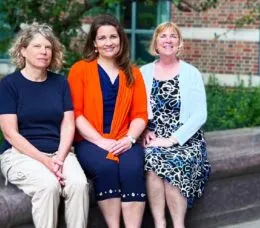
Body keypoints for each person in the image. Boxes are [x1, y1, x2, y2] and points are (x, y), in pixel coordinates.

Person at [0, 23, 89, 228]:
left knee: (79, 185)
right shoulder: (9, 85)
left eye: (48, 47)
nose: (44, 51)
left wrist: (59, 157)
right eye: (37, 46)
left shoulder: (60, 83)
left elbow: (68, 125)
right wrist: (46, 162)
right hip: (20, 154)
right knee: (48, 186)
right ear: (23, 51)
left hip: (59, 152)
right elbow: (11, 134)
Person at [67, 14, 148, 228]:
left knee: (132, 168)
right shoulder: (80, 70)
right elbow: (76, 113)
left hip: (124, 139)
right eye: (102, 38)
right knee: (106, 167)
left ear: (121, 40)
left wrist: (130, 138)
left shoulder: (133, 73)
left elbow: (140, 114)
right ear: (94, 43)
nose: (108, 42)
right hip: (89, 141)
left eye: (113, 36)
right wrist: (100, 141)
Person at [140, 22, 211, 228]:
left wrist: (172, 139)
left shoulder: (191, 73)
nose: (168, 40)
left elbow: (200, 114)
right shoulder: (143, 72)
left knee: (174, 162)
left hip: (186, 139)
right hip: (155, 137)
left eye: (173, 36)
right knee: (152, 159)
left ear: (179, 43)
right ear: (156, 42)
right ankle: (160, 223)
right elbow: (136, 108)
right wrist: (144, 129)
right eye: (163, 36)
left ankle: (178, 225)